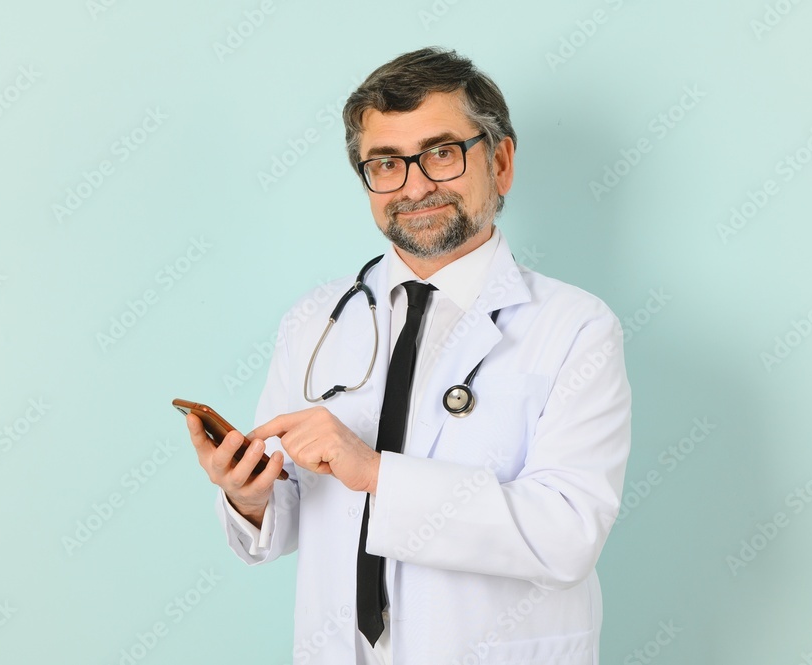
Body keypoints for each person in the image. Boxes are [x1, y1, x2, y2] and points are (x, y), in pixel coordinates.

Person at [187, 47, 631, 665]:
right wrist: (248, 496)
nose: (415, 186)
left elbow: (567, 536)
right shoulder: (314, 322)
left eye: (442, 153)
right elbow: (282, 519)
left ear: (499, 162)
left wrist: (373, 472)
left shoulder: (575, 328)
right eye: (386, 163)